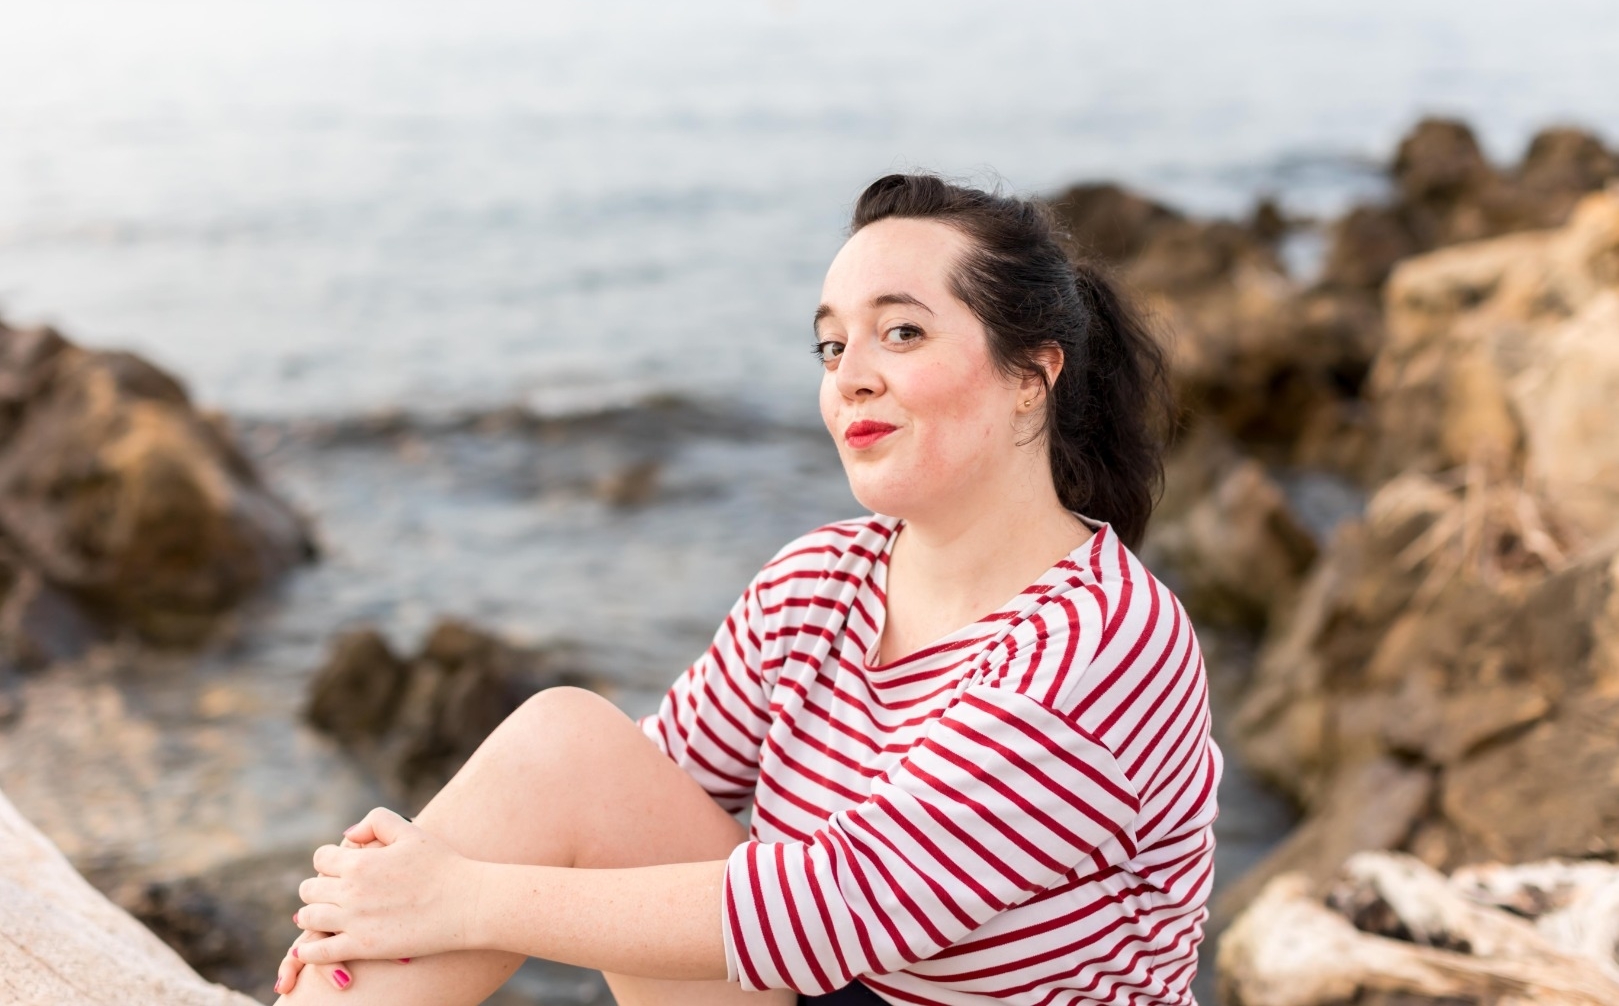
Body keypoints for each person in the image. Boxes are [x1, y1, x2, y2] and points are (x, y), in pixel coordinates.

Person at [273, 173, 1221, 1005]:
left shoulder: (1108, 640)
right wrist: (368, 914)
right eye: (831, 347)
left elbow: (843, 908)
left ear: (1032, 375)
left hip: (850, 959)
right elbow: (607, 792)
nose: (851, 378)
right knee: (564, 743)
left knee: (468, 871)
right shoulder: (822, 582)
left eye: (901, 332)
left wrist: (461, 900)